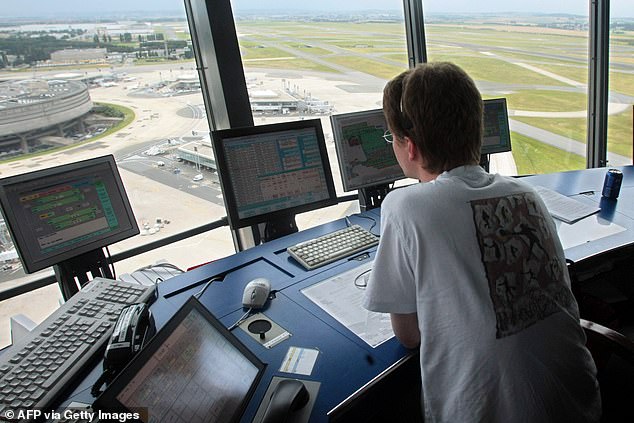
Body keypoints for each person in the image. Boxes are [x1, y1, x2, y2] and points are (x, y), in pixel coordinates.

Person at [362, 62, 601, 422]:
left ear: (409, 147)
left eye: (391, 138)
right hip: (580, 404)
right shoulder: (527, 193)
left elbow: (409, 335)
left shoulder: (405, 206)